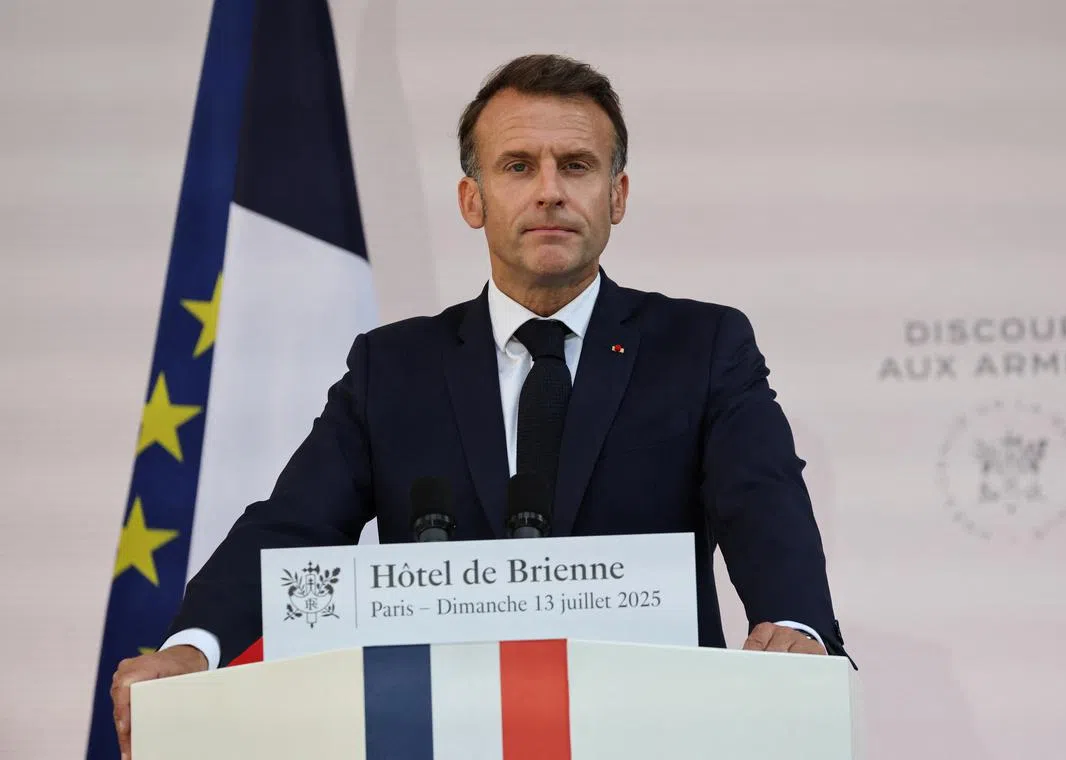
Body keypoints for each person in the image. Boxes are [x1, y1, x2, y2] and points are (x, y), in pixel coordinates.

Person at [110, 53, 846, 755]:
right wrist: (192, 647)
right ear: (473, 199)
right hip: (441, 733)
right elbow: (294, 524)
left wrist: (793, 622)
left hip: (651, 732)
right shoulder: (392, 368)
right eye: (518, 166)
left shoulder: (703, 345)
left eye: (578, 166)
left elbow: (763, 497)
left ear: (617, 196)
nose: (549, 190)